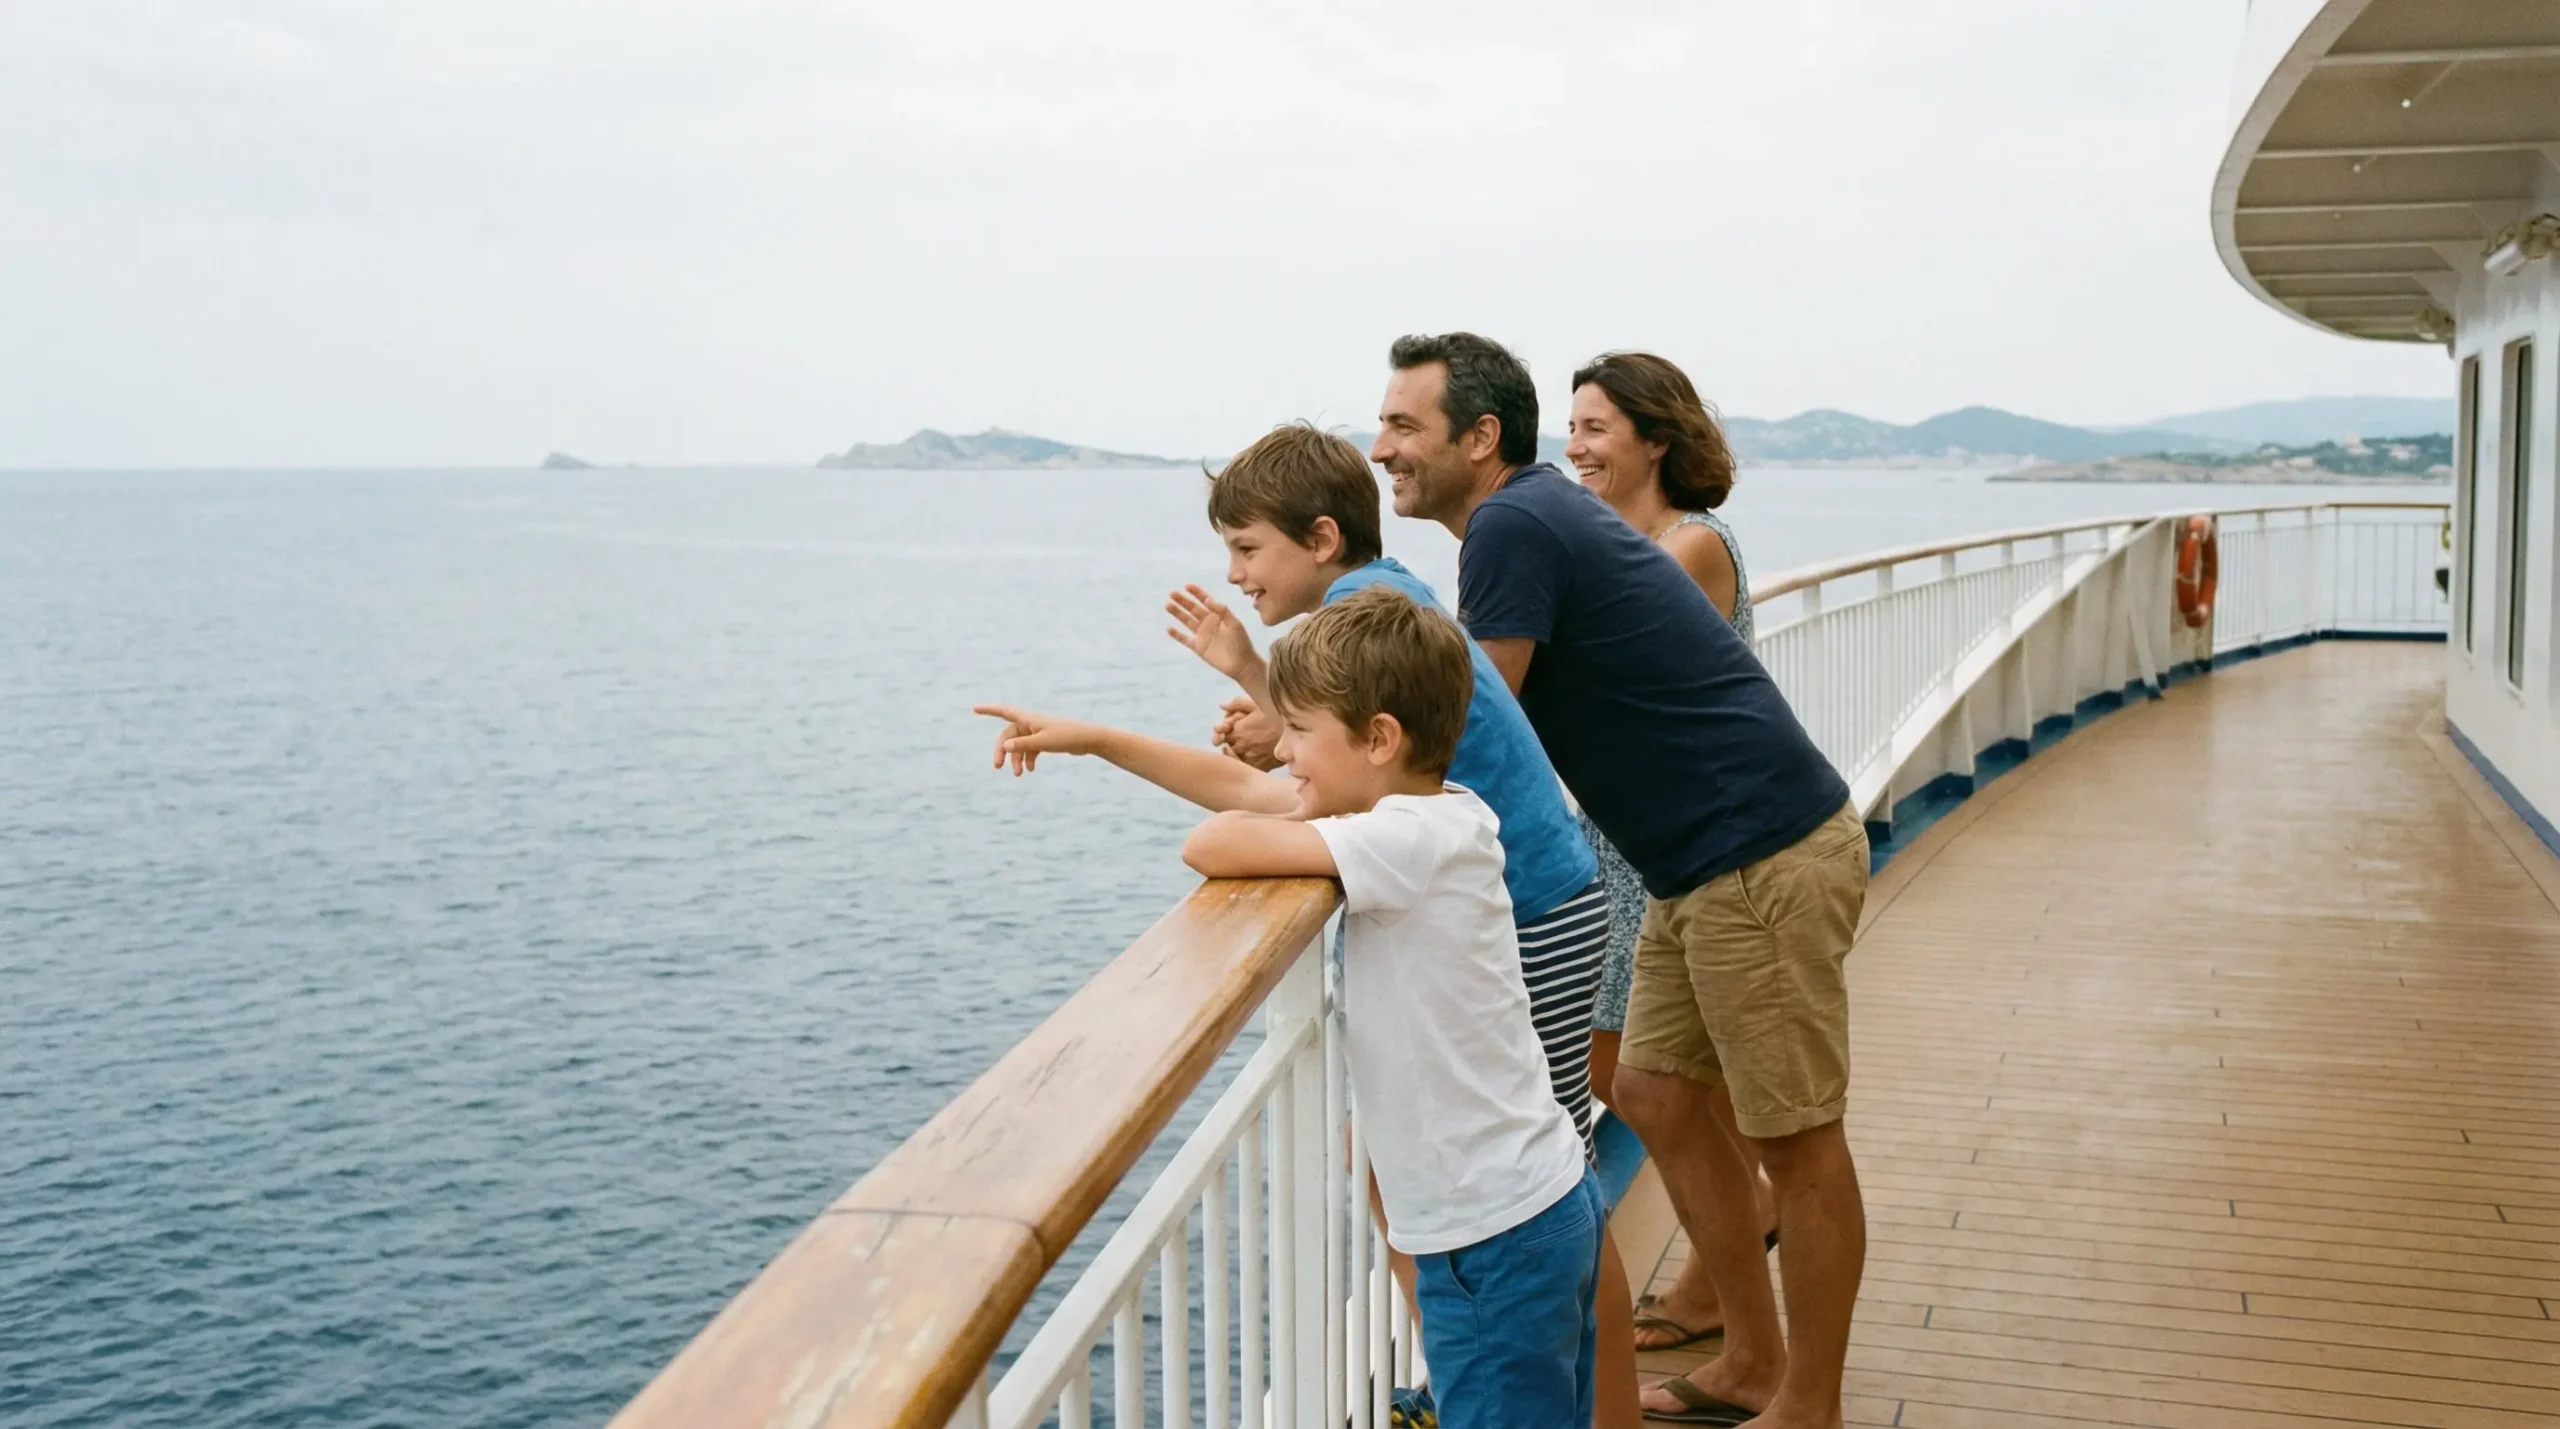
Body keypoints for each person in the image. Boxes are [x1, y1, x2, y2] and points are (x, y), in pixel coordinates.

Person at [1374, 332, 1868, 1429]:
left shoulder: (1508, 525)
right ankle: (1747, 1356)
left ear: (1480, 436)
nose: (1381, 448)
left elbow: (1463, 731)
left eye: (1404, 425)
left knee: (1797, 1141)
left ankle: (1811, 1404)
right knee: (1646, 1091)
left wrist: (1312, 792)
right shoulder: (1532, 513)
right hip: (1698, 862)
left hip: (1760, 851)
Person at [985, 587, 1607, 1429]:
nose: (1282, 749)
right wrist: (1096, 741)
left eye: (1300, 732)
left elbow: (1216, 838)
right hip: (1537, 1202)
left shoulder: (1404, 840)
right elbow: (1238, 786)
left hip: (1490, 1238)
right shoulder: (1431, 812)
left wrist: (1286, 802)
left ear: (1379, 740)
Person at [1166, 422, 1608, 1144]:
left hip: (1532, 906)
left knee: (1550, 1156)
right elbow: (1356, 746)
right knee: (1524, 1150)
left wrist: (1266, 700)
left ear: (1321, 538)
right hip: (1543, 893)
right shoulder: (1385, 593)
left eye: (1248, 549)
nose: (1236, 574)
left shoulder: (1363, 615)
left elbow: (1354, 753)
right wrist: (1257, 680)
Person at [1563, 350, 1776, 1359]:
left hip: (1668, 847)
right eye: (1571, 428)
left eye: (1597, 427)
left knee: (1643, 1075)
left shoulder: (1690, 546)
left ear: (1657, 437)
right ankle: (1720, 1261)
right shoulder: (1621, 542)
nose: (1575, 446)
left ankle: (1727, 1266)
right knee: (1653, 1079)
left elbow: (1573, 669)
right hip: (1621, 839)